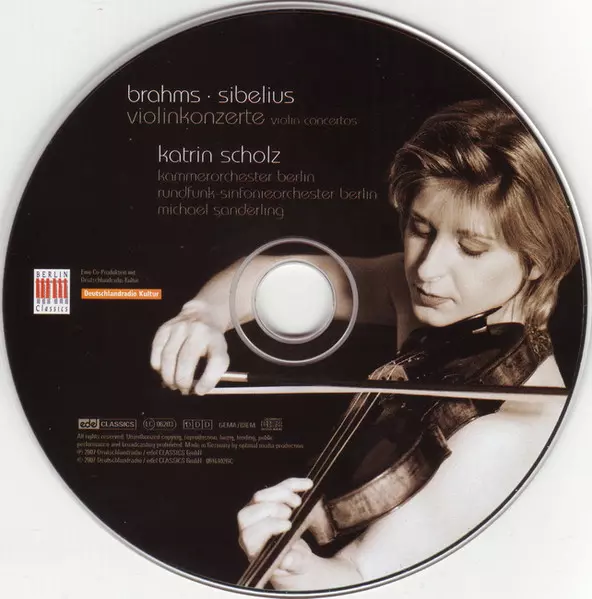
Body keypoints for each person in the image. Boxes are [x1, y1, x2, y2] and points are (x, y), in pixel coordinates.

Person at [150, 99, 580, 591]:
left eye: (471, 249)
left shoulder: (506, 436)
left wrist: (294, 568)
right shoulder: (430, 297)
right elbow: (277, 278)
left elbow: (362, 578)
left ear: (537, 260)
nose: (426, 269)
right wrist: (203, 315)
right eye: (421, 229)